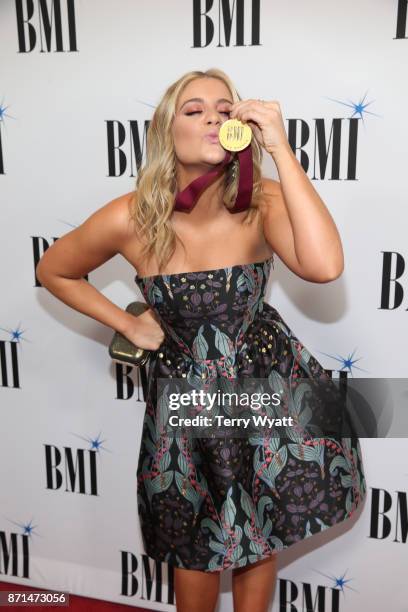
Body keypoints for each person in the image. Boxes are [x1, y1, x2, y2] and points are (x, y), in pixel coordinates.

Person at [36, 68, 367, 612]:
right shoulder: (133, 216)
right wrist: (127, 323)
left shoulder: (261, 199)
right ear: (168, 131)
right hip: (188, 397)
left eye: (224, 107)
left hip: (265, 385)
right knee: (196, 540)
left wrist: (280, 148)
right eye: (194, 110)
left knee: (261, 531)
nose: (213, 117)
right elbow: (54, 269)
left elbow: (326, 265)